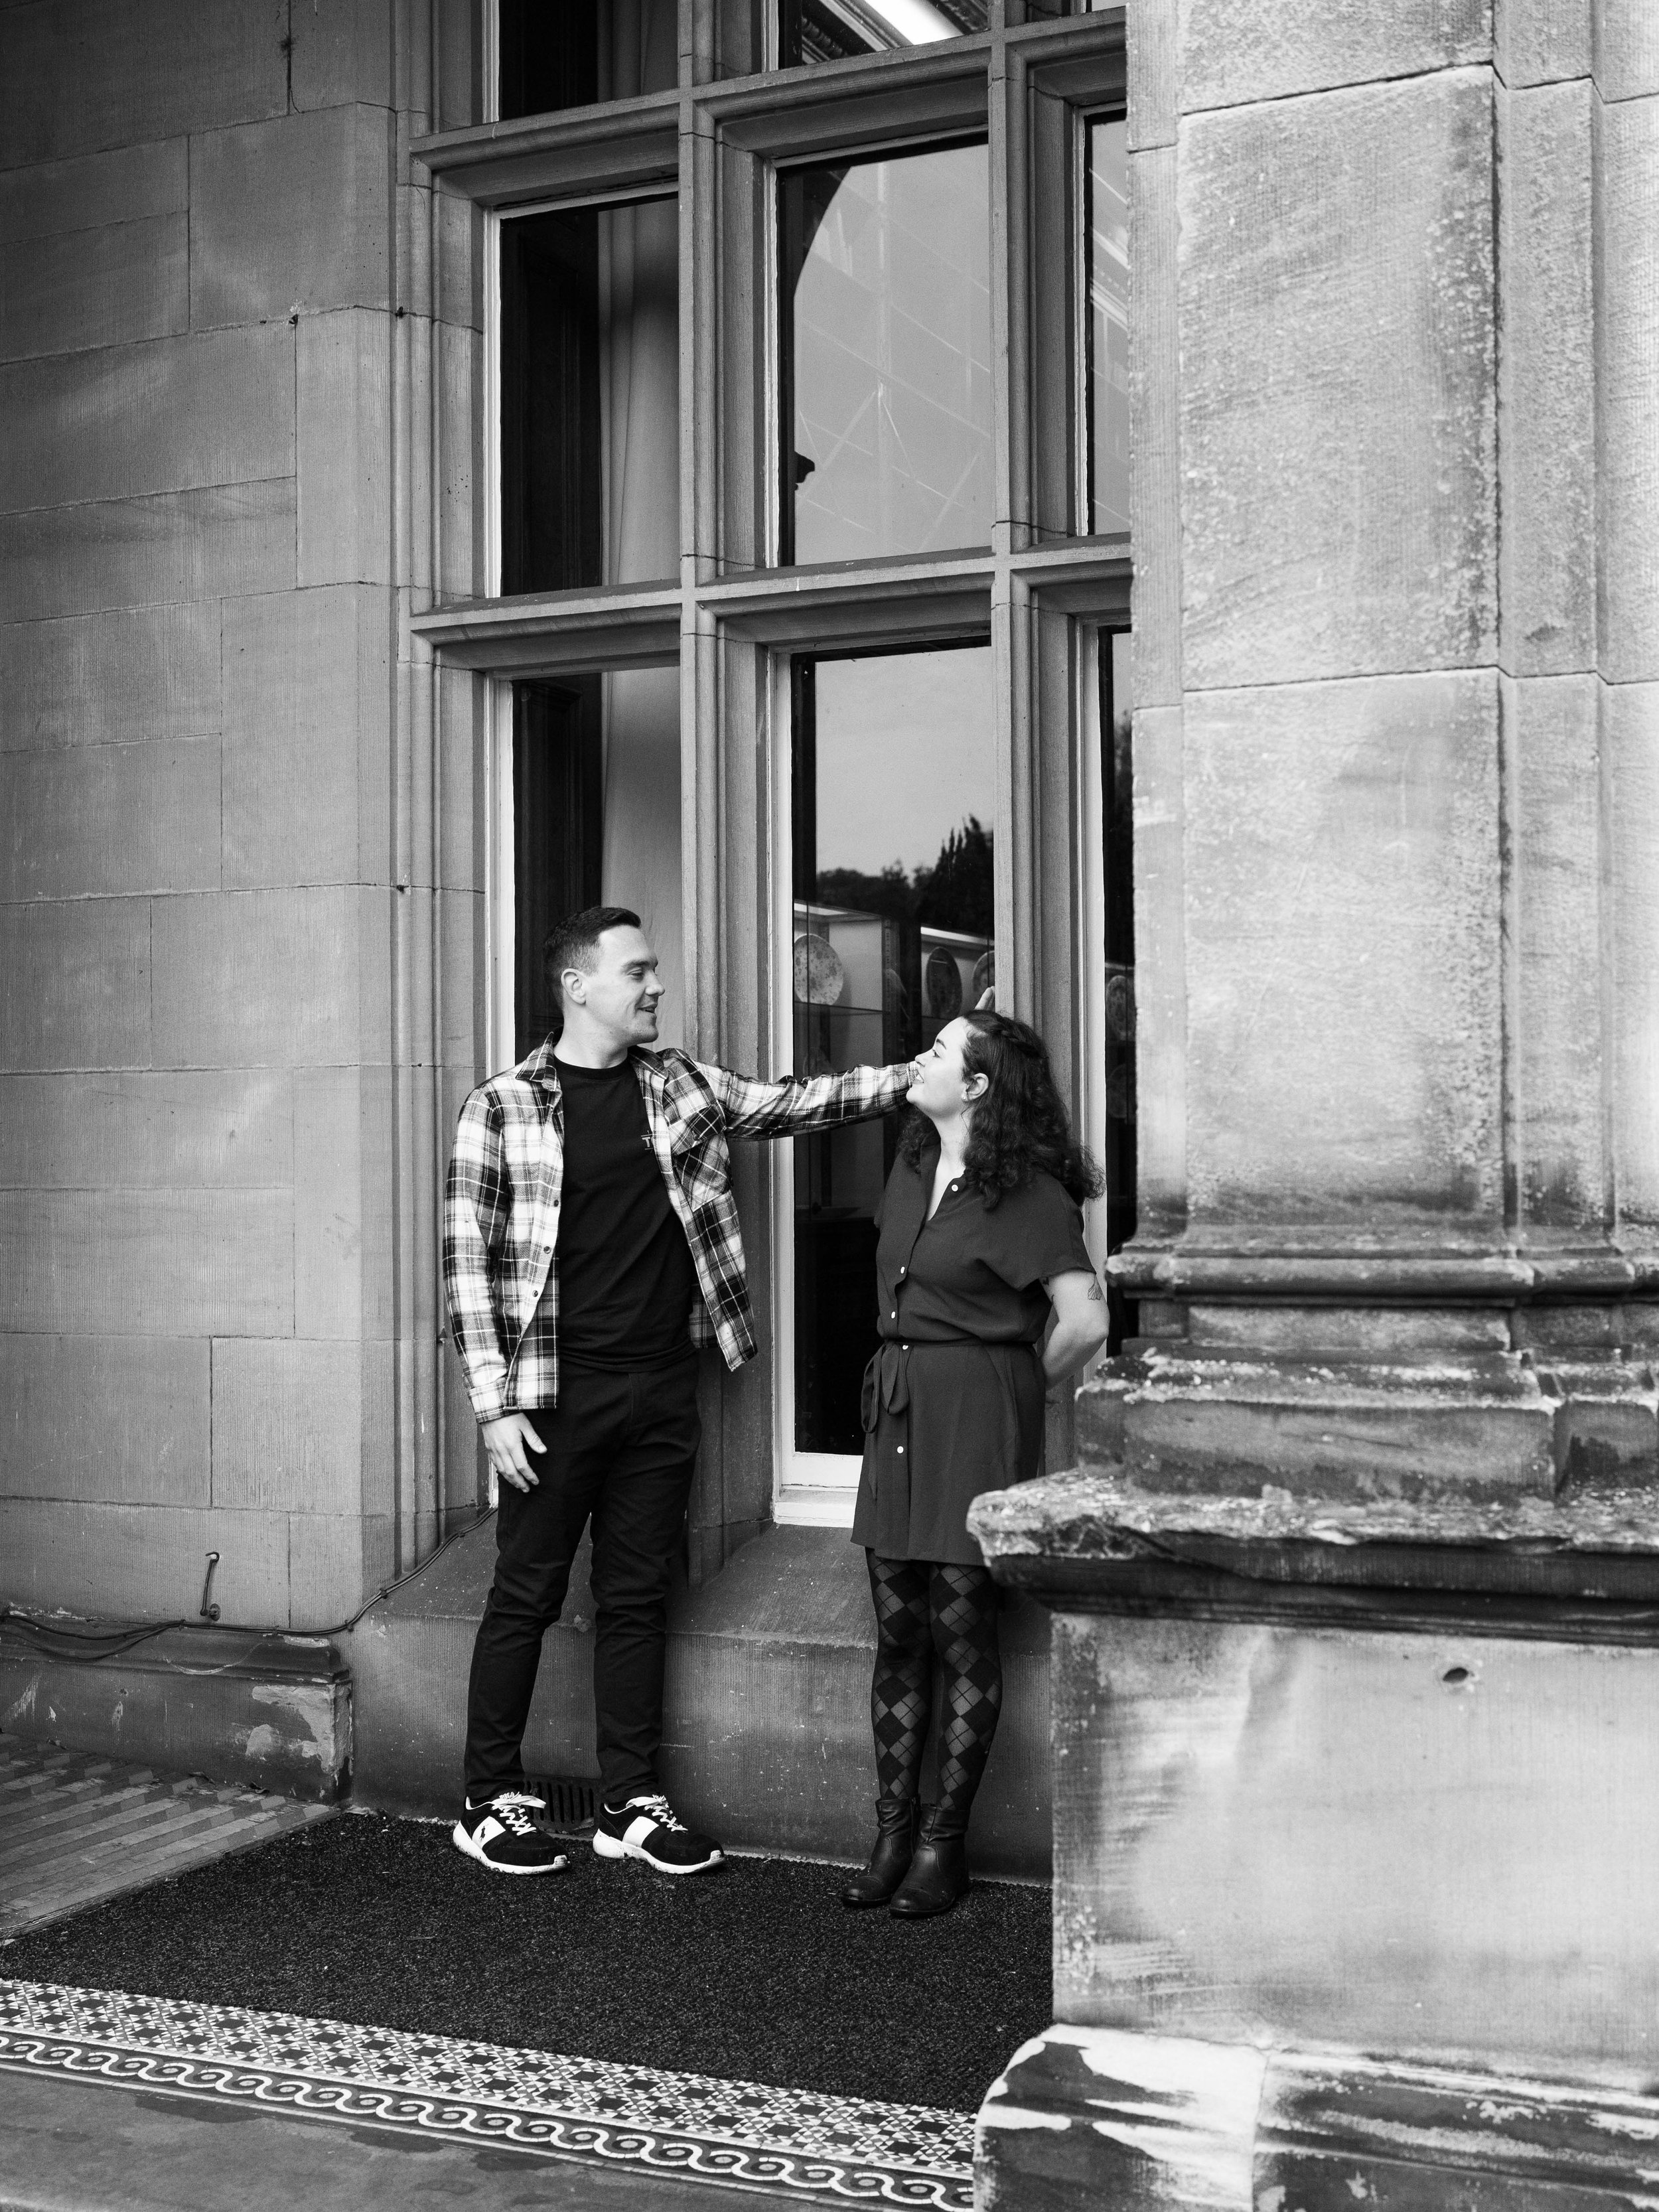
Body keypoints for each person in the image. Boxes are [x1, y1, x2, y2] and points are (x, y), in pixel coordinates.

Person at [443, 905, 917, 1879]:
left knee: (635, 1596)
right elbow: (467, 1266)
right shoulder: (502, 1106)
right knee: (524, 1592)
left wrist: (910, 1079)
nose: (655, 985)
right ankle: (488, 1798)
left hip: (660, 1388)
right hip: (552, 1397)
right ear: (577, 985)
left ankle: (629, 1801)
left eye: (655, 969)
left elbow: (792, 1103)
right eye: (637, 970)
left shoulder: (680, 1084)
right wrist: (495, 1405)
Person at [841, 1009, 1109, 1918]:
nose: (923, 1059)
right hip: (900, 1408)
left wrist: (1015, 1381)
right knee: (899, 1630)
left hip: (974, 1416)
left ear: (981, 1085)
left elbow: (1087, 1319)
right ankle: (889, 1831)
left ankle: (940, 1846)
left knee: (961, 1631)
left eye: (942, 1051)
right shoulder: (913, 1161)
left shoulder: (1029, 1193)